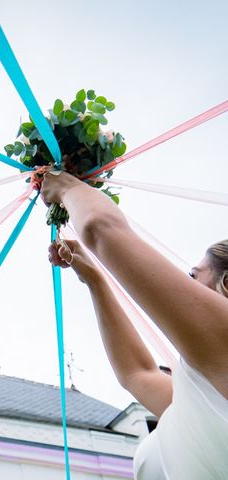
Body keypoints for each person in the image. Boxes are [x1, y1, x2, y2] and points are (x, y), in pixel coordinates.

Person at [40, 171, 228, 480]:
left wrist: (66, 185)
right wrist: (95, 281)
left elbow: (101, 229)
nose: (186, 283)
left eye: (194, 275)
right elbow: (137, 374)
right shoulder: (204, 394)